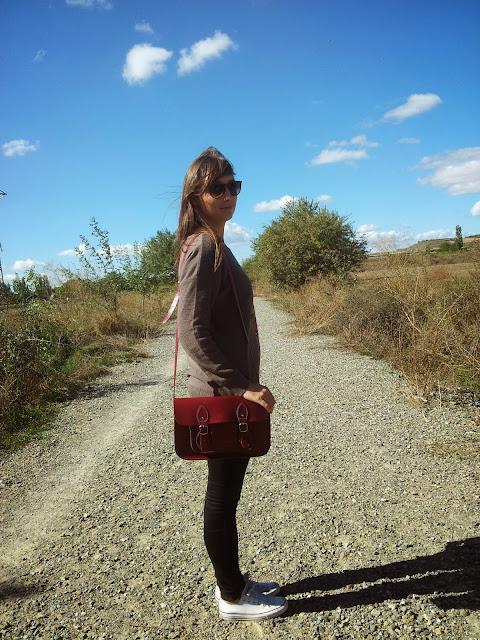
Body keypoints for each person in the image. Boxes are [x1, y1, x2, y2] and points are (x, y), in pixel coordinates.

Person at [175, 147, 288, 621]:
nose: (228, 195)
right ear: (195, 196)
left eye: (233, 185)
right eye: (216, 187)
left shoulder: (214, 244)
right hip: (222, 395)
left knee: (227, 491)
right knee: (222, 495)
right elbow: (192, 330)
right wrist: (241, 385)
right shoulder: (203, 246)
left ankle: (236, 582)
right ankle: (232, 597)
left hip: (227, 390)